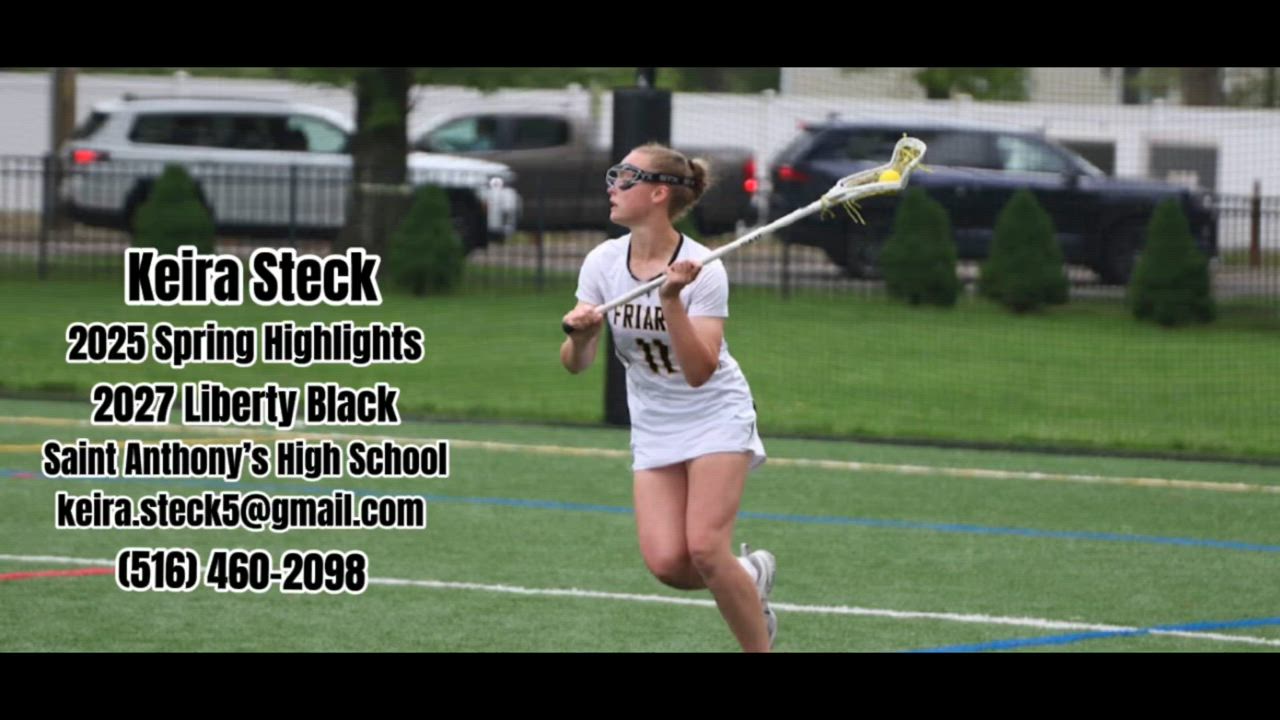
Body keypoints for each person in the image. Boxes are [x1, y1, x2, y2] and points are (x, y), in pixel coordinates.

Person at [560, 143, 777, 652]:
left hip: (714, 414)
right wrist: (582, 337)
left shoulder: (704, 268)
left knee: (705, 548)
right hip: (655, 420)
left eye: (626, 177)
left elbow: (700, 371)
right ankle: (748, 575)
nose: (613, 186)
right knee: (667, 564)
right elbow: (575, 364)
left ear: (659, 193)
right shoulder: (602, 262)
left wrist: (671, 300)